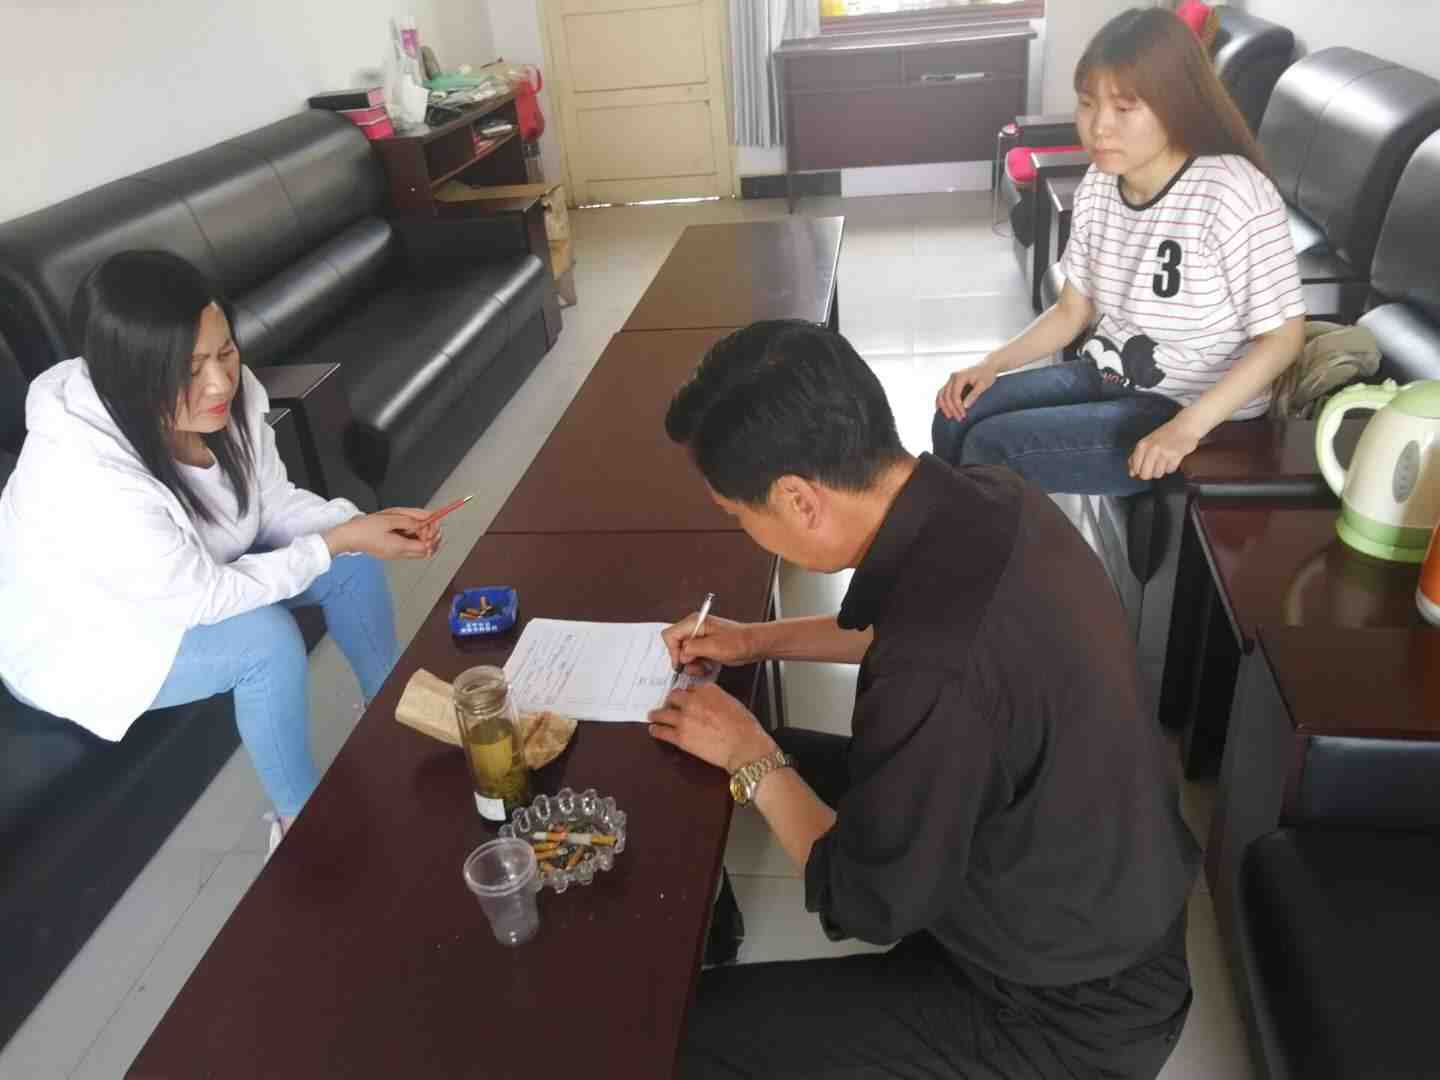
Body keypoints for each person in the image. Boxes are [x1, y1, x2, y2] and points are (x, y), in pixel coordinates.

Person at [650, 320, 1199, 1078]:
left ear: (798, 500)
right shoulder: (992, 497)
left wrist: (753, 760)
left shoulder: (933, 672)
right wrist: (754, 641)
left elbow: (868, 903)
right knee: (767, 755)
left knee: (683, 1035)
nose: (748, 534)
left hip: (1064, 1012)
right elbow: (912, 632)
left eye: (741, 517)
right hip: (1086, 884)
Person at [0, 250, 442, 853]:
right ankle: (300, 823)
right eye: (190, 368)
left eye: (225, 351)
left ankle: (395, 711)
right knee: (265, 643)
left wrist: (359, 527)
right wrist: (336, 538)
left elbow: (270, 502)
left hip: (179, 574)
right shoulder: (89, 474)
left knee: (352, 557)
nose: (219, 382)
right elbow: (203, 598)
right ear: (131, 375)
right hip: (89, 632)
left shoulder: (228, 393)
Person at [932, 7, 1306, 494]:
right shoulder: (1099, 184)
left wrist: (1187, 428)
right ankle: (952, 529)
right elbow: (1072, 312)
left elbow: (1282, 338)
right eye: (1088, 104)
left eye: (1125, 108)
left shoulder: (1232, 192)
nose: (1099, 127)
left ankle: (978, 539)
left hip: (1190, 406)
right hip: (1110, 375)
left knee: (991, 446)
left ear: (1176, 105)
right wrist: (991, 364)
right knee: (955, 414)